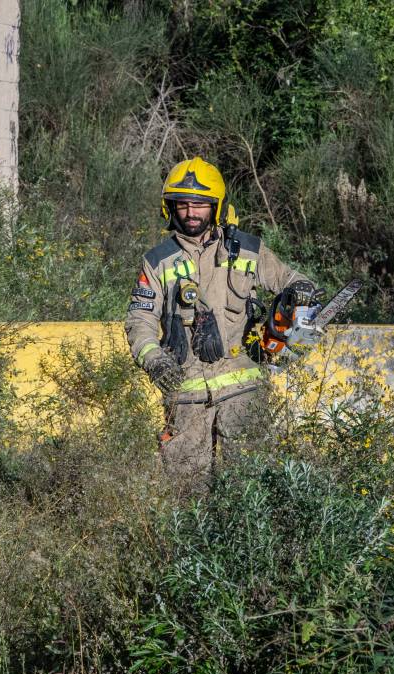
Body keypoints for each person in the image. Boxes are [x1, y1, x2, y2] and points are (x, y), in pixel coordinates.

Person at [125, 157, 321, 478]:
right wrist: (154, 360)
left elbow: (292, 279)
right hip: (185, 399)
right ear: (169, 207)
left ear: (216, 206)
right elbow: (139, 320)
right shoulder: (157, 261)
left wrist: (301, 294)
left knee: (247, 487)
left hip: (244, 394)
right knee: (187, 490)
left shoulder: (247, 249)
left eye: (199, 204)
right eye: (183, 204)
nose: (190, 212)